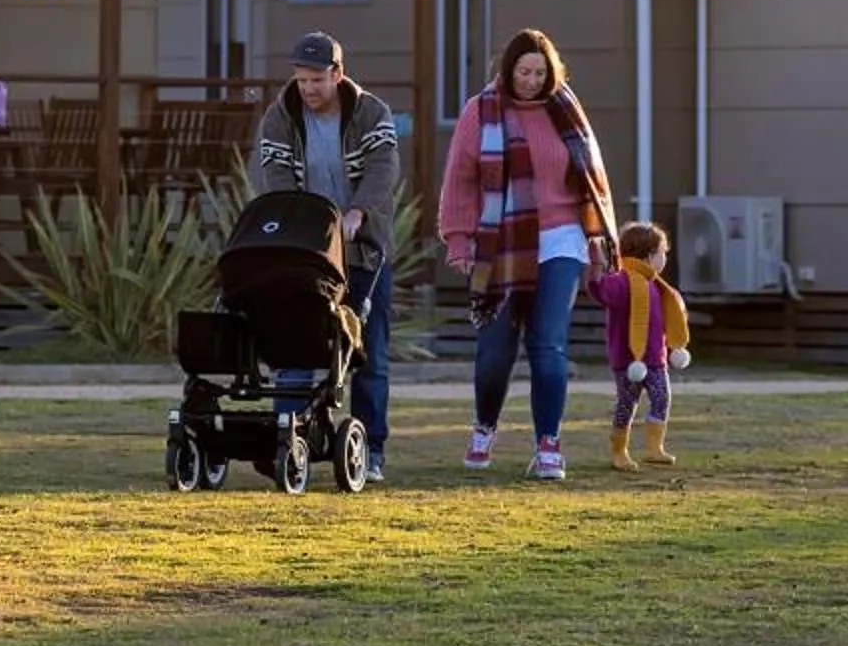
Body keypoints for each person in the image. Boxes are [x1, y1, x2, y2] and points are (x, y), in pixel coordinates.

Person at [436, 27, 617, 482]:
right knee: (496, 351)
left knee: (548, 345)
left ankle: (548, 444)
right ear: (508, 70)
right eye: (525, 71)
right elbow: (459, 178)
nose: (533, 80)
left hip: (561, 239)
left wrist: (598, 240)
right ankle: (484, 427)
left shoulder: (567, 111)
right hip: (501, 242)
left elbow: (592, 179)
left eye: (541, 71)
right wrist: (458, 239)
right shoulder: (481, 111)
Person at [250, 30, 401, 480]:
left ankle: (371, 449)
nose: (309, 89)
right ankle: (289, 437)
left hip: (363, 253)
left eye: (317, 79)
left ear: (338, 73)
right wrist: (299, 223)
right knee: (297, 346)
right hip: (308, 254)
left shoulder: (372, 113)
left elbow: (382, 169)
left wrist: (357, 212)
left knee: (369, 353)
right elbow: (273, 175)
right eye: (302, 80)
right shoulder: (279, 119)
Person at [591, 219, 692, 472]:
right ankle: (619, 450)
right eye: (662, 253)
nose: (664, 258)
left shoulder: (657, 286)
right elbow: (601, 290)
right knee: (627, 403)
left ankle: (654, 448)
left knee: (662, 397)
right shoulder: (622, 281)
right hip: (628, 359)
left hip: (655, 358)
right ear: (649, 255)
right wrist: (597, 267)